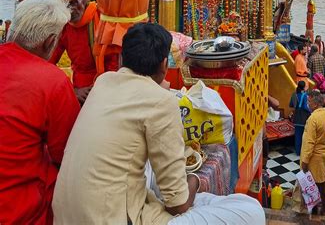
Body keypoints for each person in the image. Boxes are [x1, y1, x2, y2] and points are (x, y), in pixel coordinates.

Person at [53, 23, 265, 225]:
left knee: (209, 201)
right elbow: (178, 204)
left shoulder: (103, 82)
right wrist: (196, 181)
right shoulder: (161, 102)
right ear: (164, 65)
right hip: (115, 217)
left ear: (120, 60)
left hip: (67, 215)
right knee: (250, 210)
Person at [0, 0, 80, 225]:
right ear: (50, 42)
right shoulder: (52, 81)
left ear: (10, 30)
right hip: (18, 208)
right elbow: (65, 153)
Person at [300, 90, 325, 216]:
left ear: (314, 103)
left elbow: (309, 143)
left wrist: (305, 162)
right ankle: (324, 208)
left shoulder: (313, 118)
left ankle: (314, 210)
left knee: (311, 184)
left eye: (308, 101)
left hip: (314, 157)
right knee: (323, 182)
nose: (307, 104)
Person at [289, 81, 311, 156]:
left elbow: (291, 105)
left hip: (296, 117)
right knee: (304, 136)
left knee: (297, 135)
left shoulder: (293, 94)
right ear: (304, 87)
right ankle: (303, 152)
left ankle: (298, 152)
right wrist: (311, 111)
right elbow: (305, 107)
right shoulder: (304, 95)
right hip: (304, 118)